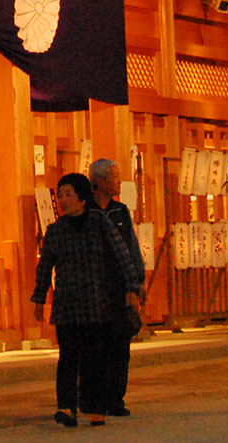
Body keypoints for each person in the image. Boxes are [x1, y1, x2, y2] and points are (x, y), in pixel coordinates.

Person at [32, 172, 142, 426]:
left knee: (94, 358)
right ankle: (66, 407)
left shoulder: (100, 223)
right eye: (60, 195)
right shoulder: (55, 231)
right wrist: (39, 299)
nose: (63, 200)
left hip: (96, 303)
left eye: (68, 194)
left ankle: (95, 408)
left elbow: (122, 256)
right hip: (68, 304)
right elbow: (45, 267)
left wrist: (131, 288)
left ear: (82, 198)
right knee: (68, 358)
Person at [88, 157, 146, 417]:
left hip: (120, 288)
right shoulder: (85, 212)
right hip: (93, 289)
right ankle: (94, 397)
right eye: (113, 178)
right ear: (98, 182)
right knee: (95, 347)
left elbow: (132, 247)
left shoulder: (120, 211)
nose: (118, 182)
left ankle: (115, 399)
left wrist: (137, 280)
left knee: (120, 344)